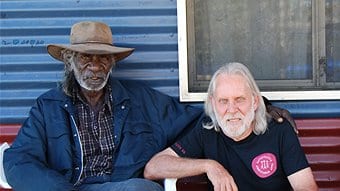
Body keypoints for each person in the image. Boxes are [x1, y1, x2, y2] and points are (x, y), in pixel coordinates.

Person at [3, 21, 294, 191]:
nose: (95, 66)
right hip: (69, 188)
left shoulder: (141, 101)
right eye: (85, 58)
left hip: (122, 189)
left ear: (113, 62)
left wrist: (260, 106)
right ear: (69, 61)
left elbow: (202, 118)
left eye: (103, 58)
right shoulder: (48, 107)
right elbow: (17, 161)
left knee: (142, 188)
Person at [144, 62, 318, 191]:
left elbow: (306, 188)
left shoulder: (279, 130)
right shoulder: (207, 131)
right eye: (223, 101)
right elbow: (154, 167)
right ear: (213, 103)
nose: (232, 109)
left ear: (255, 101)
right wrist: (209, 166)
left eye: (239, 99)